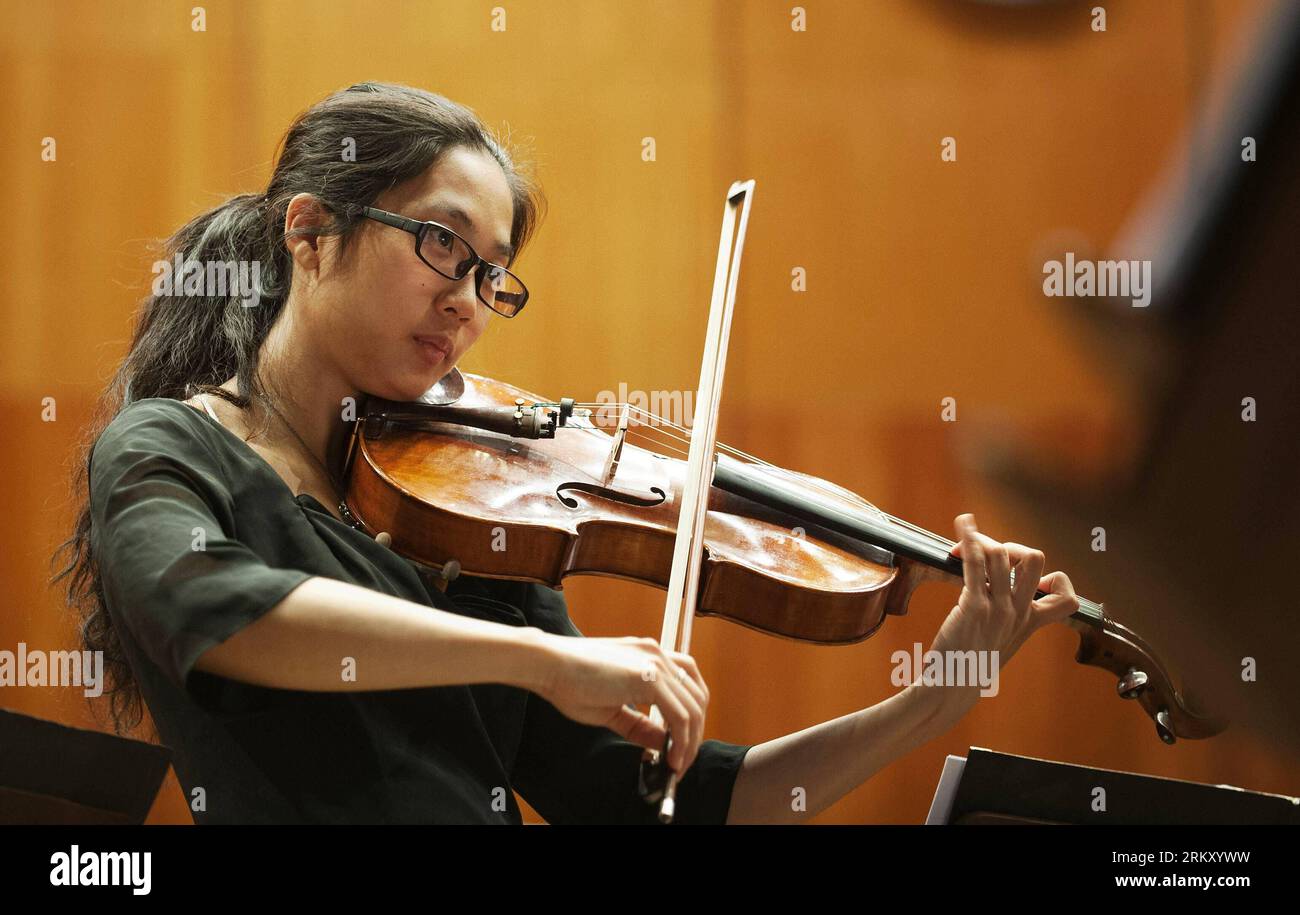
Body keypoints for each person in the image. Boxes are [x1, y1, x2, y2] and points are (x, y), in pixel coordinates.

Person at [54, 82, 1080, 824]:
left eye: (494, 276)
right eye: (443, 246)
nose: (467, 301)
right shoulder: (171, 448)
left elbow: (661, 809)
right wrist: (547, 662)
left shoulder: (470, 511)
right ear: (311, 231)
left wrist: (932, 700)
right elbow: (214, 611)